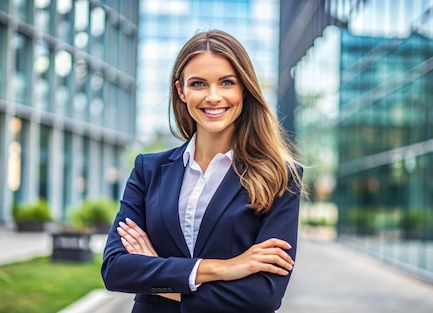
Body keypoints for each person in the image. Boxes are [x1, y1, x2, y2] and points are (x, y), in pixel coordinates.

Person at [101, 29, 304, 313]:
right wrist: (224, 268)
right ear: (181, 91)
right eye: (198, 84)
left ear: (243, 89)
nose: (213, 96)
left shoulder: (280, 177)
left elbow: (263, 296)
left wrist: (158, 275)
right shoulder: (149, 170)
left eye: (226, 82)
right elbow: (116, 270)